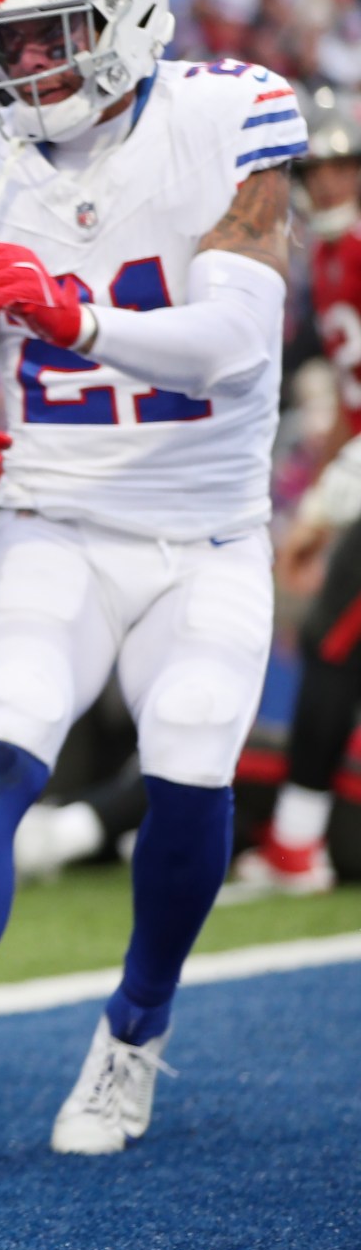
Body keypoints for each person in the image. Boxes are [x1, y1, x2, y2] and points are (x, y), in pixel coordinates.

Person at [0, 0, 301, 1164]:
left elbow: (233, 342)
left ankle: (134, 1031)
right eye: (8, 37)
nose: (28, 61)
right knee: (1, 744)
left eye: (55, 32)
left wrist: (71, 318)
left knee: (188, 751)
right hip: (55, 512)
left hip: (209, 530)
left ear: (130, 12)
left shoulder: (230, 114)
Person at [246, 82, 361, 891]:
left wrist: (329, 497)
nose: (328, 185)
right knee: (332, 644)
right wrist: (322, 496)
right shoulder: (323, 258)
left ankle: (298, 840)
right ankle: (296, 839)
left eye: (343, 168)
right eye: (315, 171)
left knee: (332, 644)